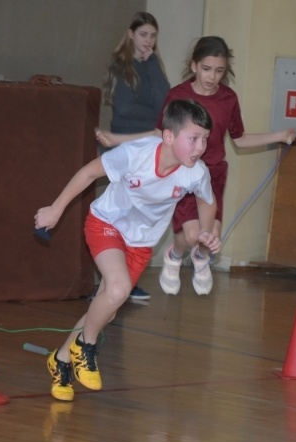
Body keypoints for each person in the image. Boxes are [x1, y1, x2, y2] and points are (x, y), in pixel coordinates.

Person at [35, 99, 220, 402]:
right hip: (106, 223)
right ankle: (86, 347)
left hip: (141, 242)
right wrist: (55, 210)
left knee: (108, 306)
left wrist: (204, 233)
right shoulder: (136, 154)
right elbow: (88, 174)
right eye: (194, 138)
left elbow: (207, 201)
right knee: (118, 288)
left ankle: (61, 360)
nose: (201, 147)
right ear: (169, 136)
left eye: (205, 139)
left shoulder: (195, 173)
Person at [98, 36, 296, 296]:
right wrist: (119, 139)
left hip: (212, 175)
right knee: (192, 235)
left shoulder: (228, 99)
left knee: (210, 238)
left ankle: (201, 258)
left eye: (219, 71)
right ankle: (175, 253)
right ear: (194, 66)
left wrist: (279, 136)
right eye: (206, 69)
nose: (212, 76)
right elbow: (159, 135)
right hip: (181, 174)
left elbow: (240, 139)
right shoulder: (178, 95)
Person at [99, 11, 171, 301]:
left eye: (153, 36)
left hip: (151, 144)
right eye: (143, 35)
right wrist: (150, 123)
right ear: (131, 34)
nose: (148, 41)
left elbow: (164, 103)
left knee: (141, 214)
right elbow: (126, 109)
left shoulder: (154, 64)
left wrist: (151, 62)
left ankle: (129, 280)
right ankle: (109, 281)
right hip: (125, 145)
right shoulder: (120, 65)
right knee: (119, 214)